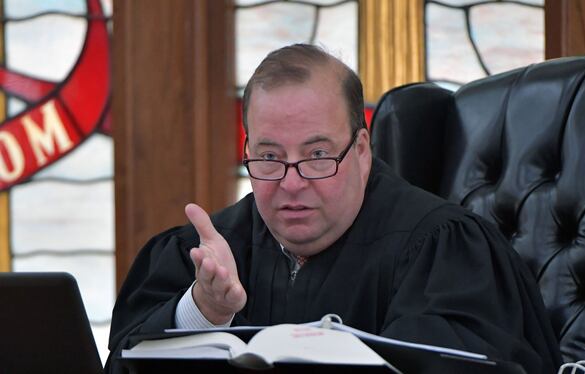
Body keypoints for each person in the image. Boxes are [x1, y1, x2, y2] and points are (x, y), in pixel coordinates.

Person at [105, 44, 561, 373]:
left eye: (318, 155)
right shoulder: (206, 255)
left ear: (361, 150)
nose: (292, 182)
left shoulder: (443, 251)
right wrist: (201, 312)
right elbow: (124, 362)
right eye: (269, 157)